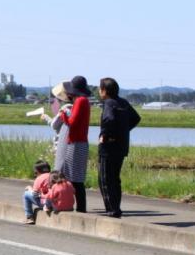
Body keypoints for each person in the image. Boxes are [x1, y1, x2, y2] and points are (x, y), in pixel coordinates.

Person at [97, 77, 141, 218]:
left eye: (100, 88)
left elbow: (109, 119)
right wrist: (123, 131)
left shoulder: (108, 103)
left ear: (104, 90)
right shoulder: (123, 102)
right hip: (121, 146)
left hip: (108, 146)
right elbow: (136, 118)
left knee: (105, 179)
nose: (99, 91)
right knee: (115, 179)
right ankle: (116, 208)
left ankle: (112, 210)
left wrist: (105, 134)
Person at [46, 76, 91, 213]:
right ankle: (79, 207)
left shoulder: (80, 101)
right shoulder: (84, 101)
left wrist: (63, 114)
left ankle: (80, 208)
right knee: (76, 177)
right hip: (78, 142)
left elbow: (72, 121)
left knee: (75, 178)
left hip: (75, 143)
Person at [22, 160, 53, 225]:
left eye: (35, 173)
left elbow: (35, 194)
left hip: (46, 202)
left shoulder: (39, 178)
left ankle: (29, 217)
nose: (35, 174)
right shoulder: (54, 176)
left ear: (37, 171)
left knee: (26, 194)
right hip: (56, 203)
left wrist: (30, 189)